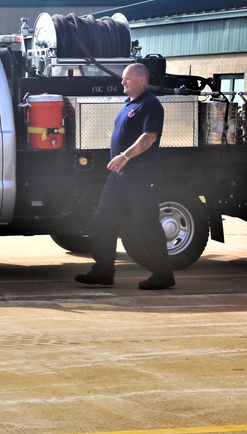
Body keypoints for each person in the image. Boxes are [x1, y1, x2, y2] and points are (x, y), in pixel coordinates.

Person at [75, 62, 176, 290]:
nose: (122, 82)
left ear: (141, 80)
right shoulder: (128, 104)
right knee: (102, 220)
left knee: (146, 224)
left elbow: (148, 137)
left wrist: (124, 156)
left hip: (140, 174)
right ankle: (103, 271)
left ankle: (163, 274)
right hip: (119, 176)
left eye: (127, 78)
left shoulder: (150, 104)